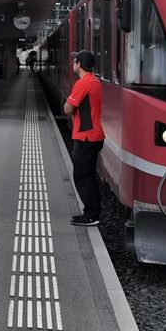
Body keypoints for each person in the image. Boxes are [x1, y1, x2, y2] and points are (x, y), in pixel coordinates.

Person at [63, 50, 104, 226]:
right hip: (95, 136)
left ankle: (91, 215)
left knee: (82, 176)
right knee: (89, 175)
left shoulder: (83, 83)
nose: (73, 65)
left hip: (85, 138)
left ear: (79, 64)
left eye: (75, 62)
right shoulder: (95, 82)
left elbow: (67, 109)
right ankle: (92, 212)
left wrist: (69, 104)